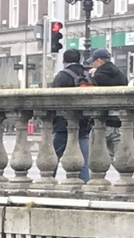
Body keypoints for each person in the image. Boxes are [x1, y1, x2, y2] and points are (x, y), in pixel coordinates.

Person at [52, 49, 93, 183]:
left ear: (64, 61)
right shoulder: (87, 75)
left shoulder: (62, 76)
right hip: (83, 124)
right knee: (83, 161)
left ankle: (48, 180)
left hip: (63, 125)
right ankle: (84, 185)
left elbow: (53, 100)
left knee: (52, 157)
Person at [89, 49, 127, 158]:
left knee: (96, 158)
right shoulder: (121, 75)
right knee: (121, 159)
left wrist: (92, 76)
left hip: (102, 121)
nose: (93, 64)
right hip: (118, 121)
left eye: (94, 61)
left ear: (100, 61)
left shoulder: (98, 77)